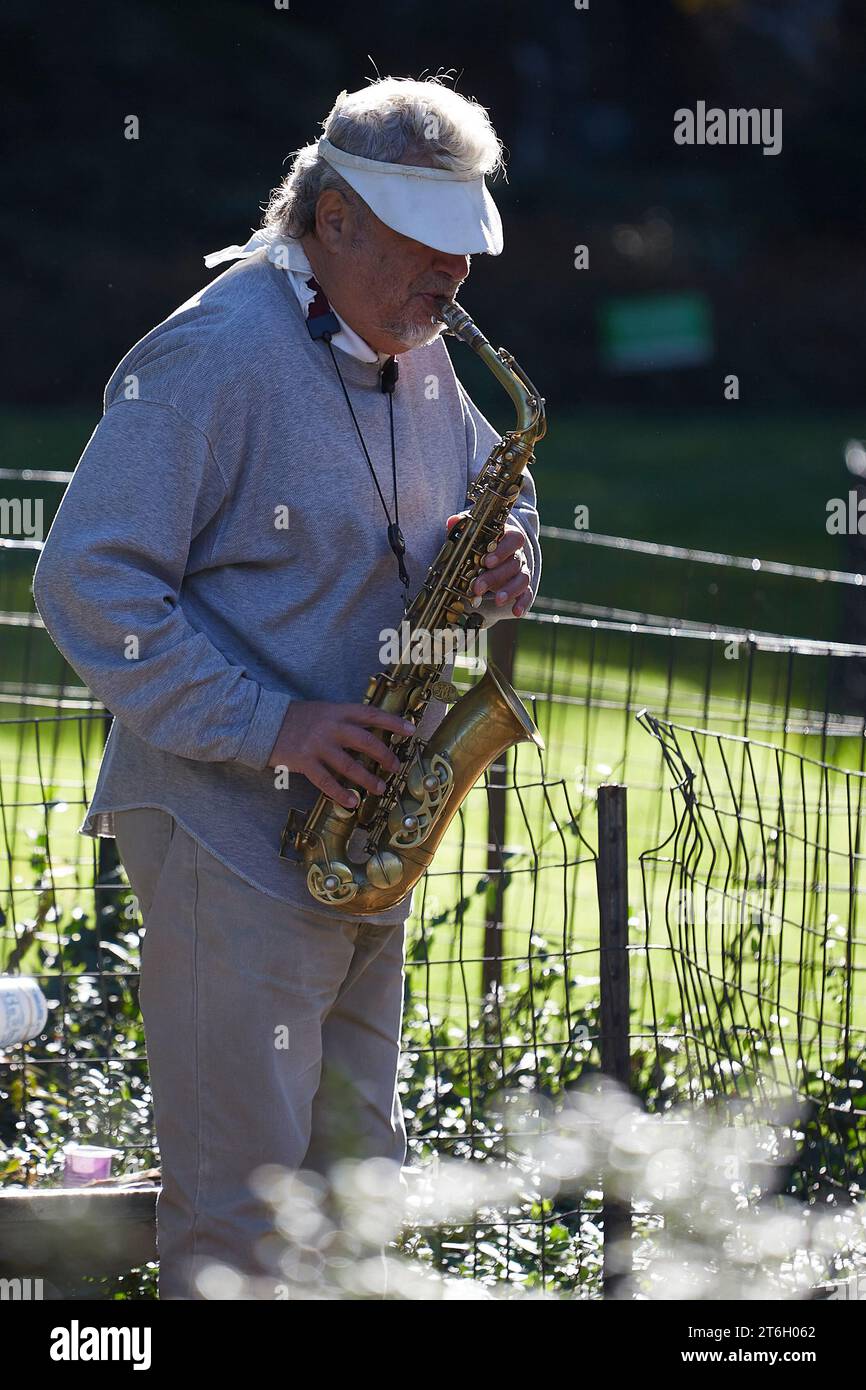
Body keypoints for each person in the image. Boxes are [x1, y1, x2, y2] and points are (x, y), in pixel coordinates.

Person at [32, 75, 542, 1299]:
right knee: (242, 1211)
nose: (454, 281)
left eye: (466, 254)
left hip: (365, 828)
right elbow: (87, 582)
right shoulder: (213, 352)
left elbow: (490, 491)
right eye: (430, 250)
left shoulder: (415, 351)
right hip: (226, 833)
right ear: (333, 221)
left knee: (355, 1192)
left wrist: (515, 542)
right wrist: (276, 724)